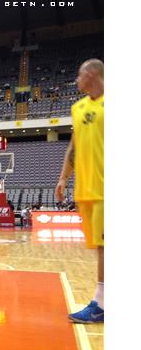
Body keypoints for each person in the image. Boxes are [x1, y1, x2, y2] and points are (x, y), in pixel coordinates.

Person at [56, 58, 104, 324]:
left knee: (106, 246)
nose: (76, 80)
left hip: (106, 189)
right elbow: (73, 147)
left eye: (80, 75)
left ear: (93, 74)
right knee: (100, 246)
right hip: (85, 190)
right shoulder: (78, 108)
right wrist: (63, 178)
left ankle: (101, 304)